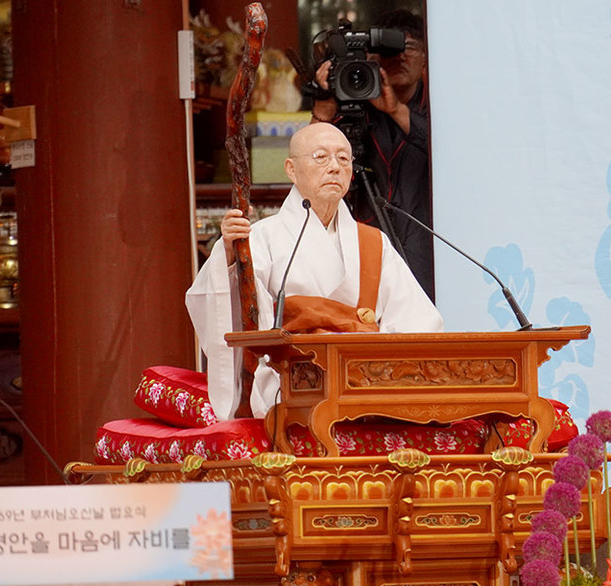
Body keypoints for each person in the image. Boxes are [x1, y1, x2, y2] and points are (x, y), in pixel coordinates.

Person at [186, 122, 444, 421]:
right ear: (291, 169)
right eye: (321, 157)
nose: (335, 167)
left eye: (344, 159)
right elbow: (231, 310)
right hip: (292, 377)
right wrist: (230, 254)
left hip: (366, 377)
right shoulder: (261, 238)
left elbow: (417, 320)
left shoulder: (373, 242)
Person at [311, 9, 435, 301]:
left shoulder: (440, 104)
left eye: (411, 48)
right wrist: (324, 109)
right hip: (364, 241)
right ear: (373, 58)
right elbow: (309, 167)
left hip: (428, 245)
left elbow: (453, 156)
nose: (401, 57)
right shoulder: (355, 106)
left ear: (425, 58)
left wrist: (396, 111)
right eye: (391, 50)